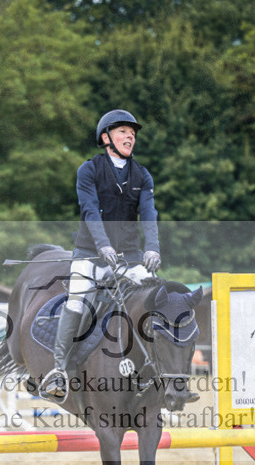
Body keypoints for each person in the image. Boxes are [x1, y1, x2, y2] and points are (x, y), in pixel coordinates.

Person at [40, 109, 161, 400]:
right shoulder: (89, 170)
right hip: (91, 254)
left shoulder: (142, 175)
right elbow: (90, 211)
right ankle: (59, 369)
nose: (130, 136)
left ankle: (156, 370)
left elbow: (148, 213)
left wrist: (153, 248)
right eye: (122, 131)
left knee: (154, 298)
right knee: (79, 299)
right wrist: (103, 246)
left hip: (130, 256)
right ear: (106, 137)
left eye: (132, 133)